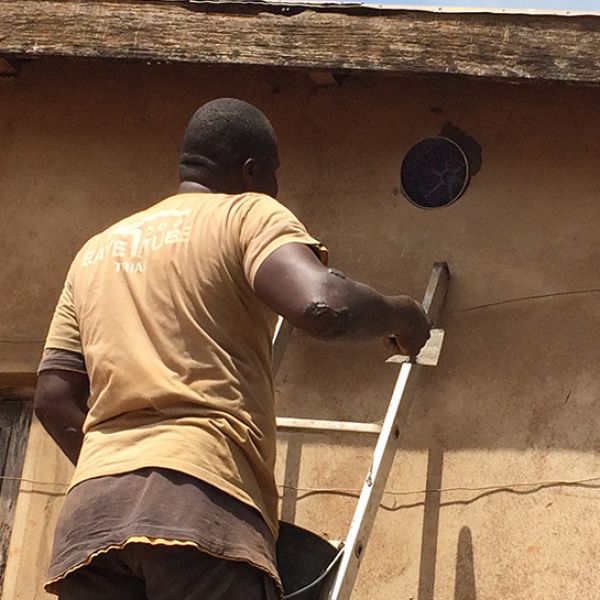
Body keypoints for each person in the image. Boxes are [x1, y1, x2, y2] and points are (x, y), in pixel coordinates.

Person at [34, 98, 431, 600]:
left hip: (91, 525)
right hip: (202, 507)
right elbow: (323, 305)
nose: (276, 189)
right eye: (275, 176)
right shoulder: (246, 214)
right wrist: (403, 315)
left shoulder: (96, 250)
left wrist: (120, 475)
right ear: (252, 171)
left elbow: (52, 398)